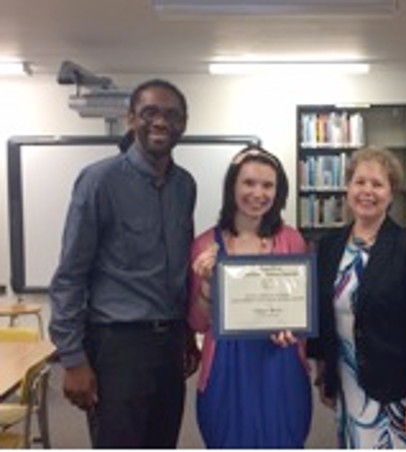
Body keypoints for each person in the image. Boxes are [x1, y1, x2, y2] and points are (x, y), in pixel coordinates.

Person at [49, 79, 198, 448]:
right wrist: (72, 359)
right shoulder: (99, 181)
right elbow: (70, 275)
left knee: (163, 442)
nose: (161, 122)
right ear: (132, 119)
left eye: (171, 115)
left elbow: (180, 266)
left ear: (184, 123)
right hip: (118, 347)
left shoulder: (185, 186)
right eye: (150, 113)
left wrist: (187, 334)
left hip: (170, 347)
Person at [307, 146, 406, 448]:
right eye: (360, 182)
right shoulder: (329, 246)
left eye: (378, 184)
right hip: (348, 384)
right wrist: (324, 375)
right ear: (348, 188)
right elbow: (322, 315)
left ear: (391, 195)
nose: (367, 191)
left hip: (398, 392)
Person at [188, 145, 312, 448]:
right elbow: (198, 321)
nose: (258, 193)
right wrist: (206, 287)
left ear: (278, 191)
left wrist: (293, 331)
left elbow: (301, 309)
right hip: (227, 366)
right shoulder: (206, 244)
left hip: (279, 362)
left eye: (268, 185)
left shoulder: (291, 239)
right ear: (232, 186)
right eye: (249, 183)